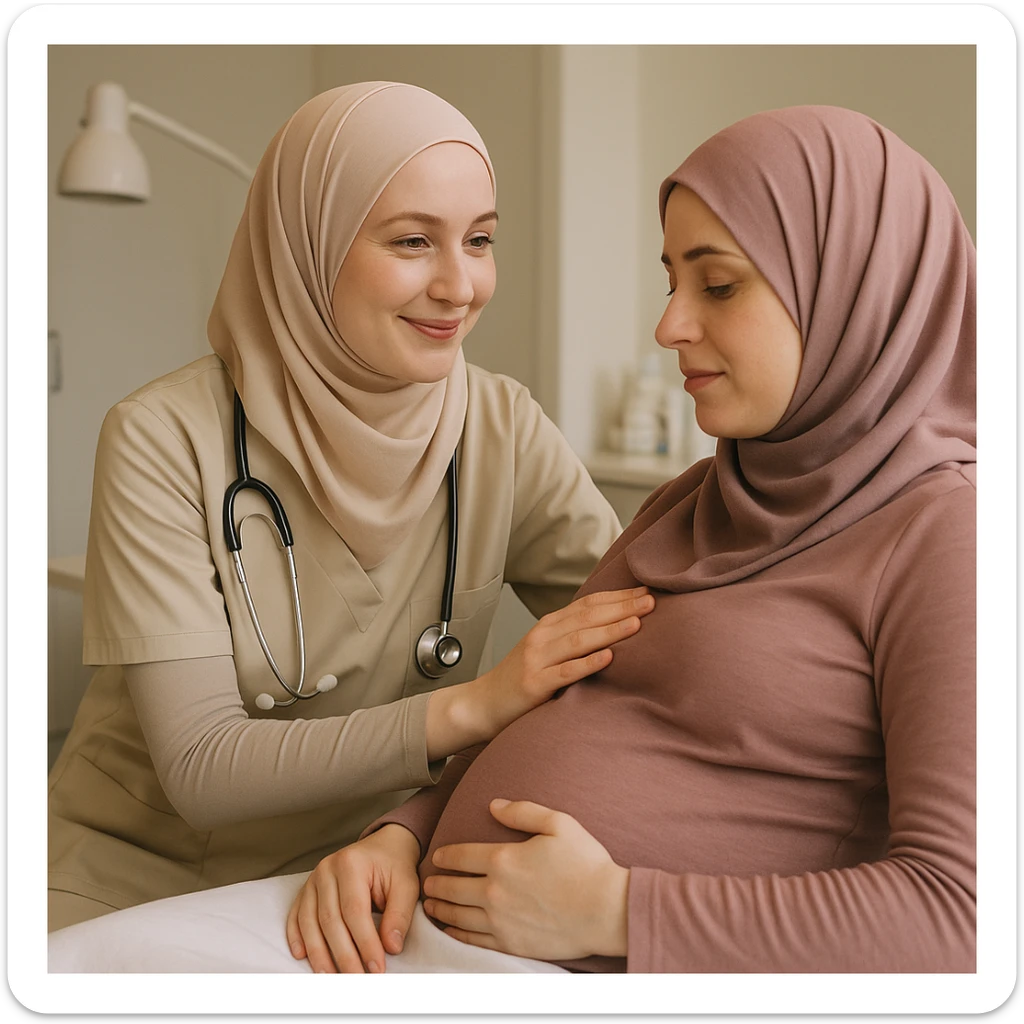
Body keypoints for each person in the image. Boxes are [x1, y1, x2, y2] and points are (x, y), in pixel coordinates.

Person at [288, 104, 976, 974]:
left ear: (854, 294)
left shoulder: (945, 537)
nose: (670, 327)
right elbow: (551, 704)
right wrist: (400, 833)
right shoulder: (697, 499)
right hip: (417, 934)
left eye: (718, 286)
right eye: (671, 284)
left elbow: (963, 920)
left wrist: (622, 912)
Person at [46, 81, 640, 934]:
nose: (460, 285)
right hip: (141, 873)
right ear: (307, 246)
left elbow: (641, 649)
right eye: (410, 241)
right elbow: (203, 767)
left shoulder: (501, 426)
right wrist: (474, 707)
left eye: (479, 241)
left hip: (374, 863)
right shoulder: (162, 437)